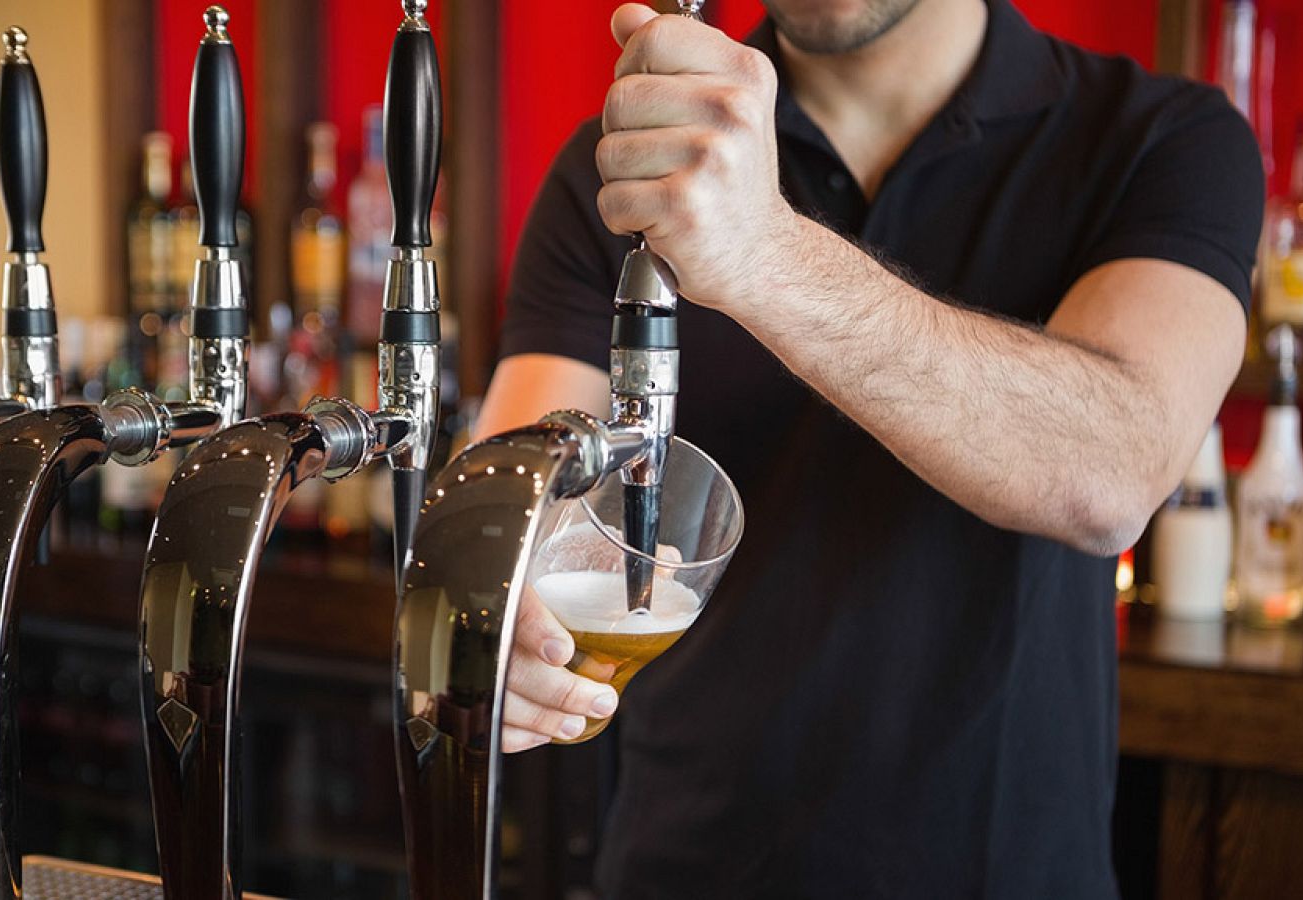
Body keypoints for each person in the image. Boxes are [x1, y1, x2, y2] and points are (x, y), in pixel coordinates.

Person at [476, 0, 1262, 896]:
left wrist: (765, 253)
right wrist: (500, 609)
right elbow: (513, 497)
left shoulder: (1161, 137)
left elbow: (1114, 468)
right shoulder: (639, 159)